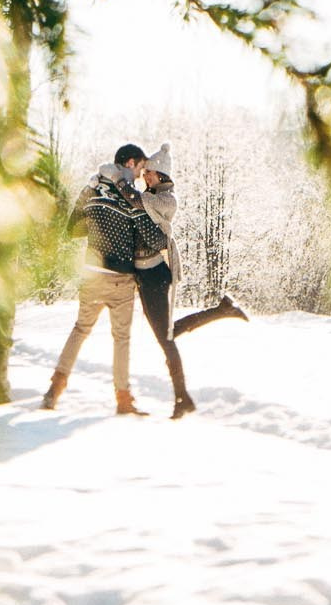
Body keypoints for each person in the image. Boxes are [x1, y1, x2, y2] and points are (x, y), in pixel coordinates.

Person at [126, 143, 248, 420]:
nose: (147, 178)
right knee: (167, 333)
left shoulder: (167, 199)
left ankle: (183, 398)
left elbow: (141, 204)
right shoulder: (150, 195)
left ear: (163, 176)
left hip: (157, 272)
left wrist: (123, 187)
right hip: (144, 273)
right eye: (146, 174)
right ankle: (222, 310)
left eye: (151, 174)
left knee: (166, 338)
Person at [42, 144, 166, 415]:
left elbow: (72, 230)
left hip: (92, 274)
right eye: (141, 168)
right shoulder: (129, 195)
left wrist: (89, 197)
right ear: (131, 163)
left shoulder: (95, 188)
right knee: (121, 338)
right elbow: (152, 237)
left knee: (80, 330)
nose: (140, 175)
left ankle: (55, 388)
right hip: (120, 278)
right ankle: (123, 399)